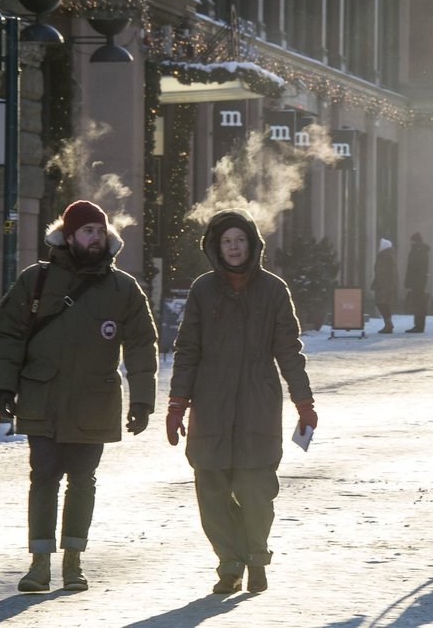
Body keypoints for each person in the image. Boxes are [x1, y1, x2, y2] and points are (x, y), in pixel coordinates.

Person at [0, 200, 157, 593]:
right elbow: (7, 333)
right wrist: (3, 386)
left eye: (100, 231)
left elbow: (142, 346)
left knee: (83, 480)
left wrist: (143, 400)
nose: (95, 238)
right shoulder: (37, 280)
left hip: (95, 400)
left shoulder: (123, 288)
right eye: (87, 231)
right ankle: (39, 564)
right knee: (43, 477)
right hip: (42, 395)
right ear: (68, 236)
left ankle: (73, 562)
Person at [166, 209, 316, 595]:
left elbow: (289, 350)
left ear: (252, 244)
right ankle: (229, 563)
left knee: (257, 489)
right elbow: (187, 350)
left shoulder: (273, 290)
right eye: (226, 241)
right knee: (211, 488)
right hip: (211, 405)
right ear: (216, 247)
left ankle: (257, 557)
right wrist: (177, 403)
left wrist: (303, 401)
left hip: (257, 405)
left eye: (240, 240)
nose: (233, 247)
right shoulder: (203, 290)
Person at [371, 238, 399, 333]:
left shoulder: (386, 256)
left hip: (385, 285)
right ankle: (388, 324)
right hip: (383, 284)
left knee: (382, 303)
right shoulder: (386, 255)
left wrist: (381, 283)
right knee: (383, 303)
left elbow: (386, 272)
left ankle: (388, 324)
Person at [404, 232, 430, 333]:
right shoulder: (421, 250)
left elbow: (413, 268)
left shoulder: (417, 251)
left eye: (412, 240)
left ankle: (418, 326)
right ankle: (419, 325)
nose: (410, 243)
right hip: (420, 281)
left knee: (418, 304)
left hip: (418, 282)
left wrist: (411, 282)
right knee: (420, 304)